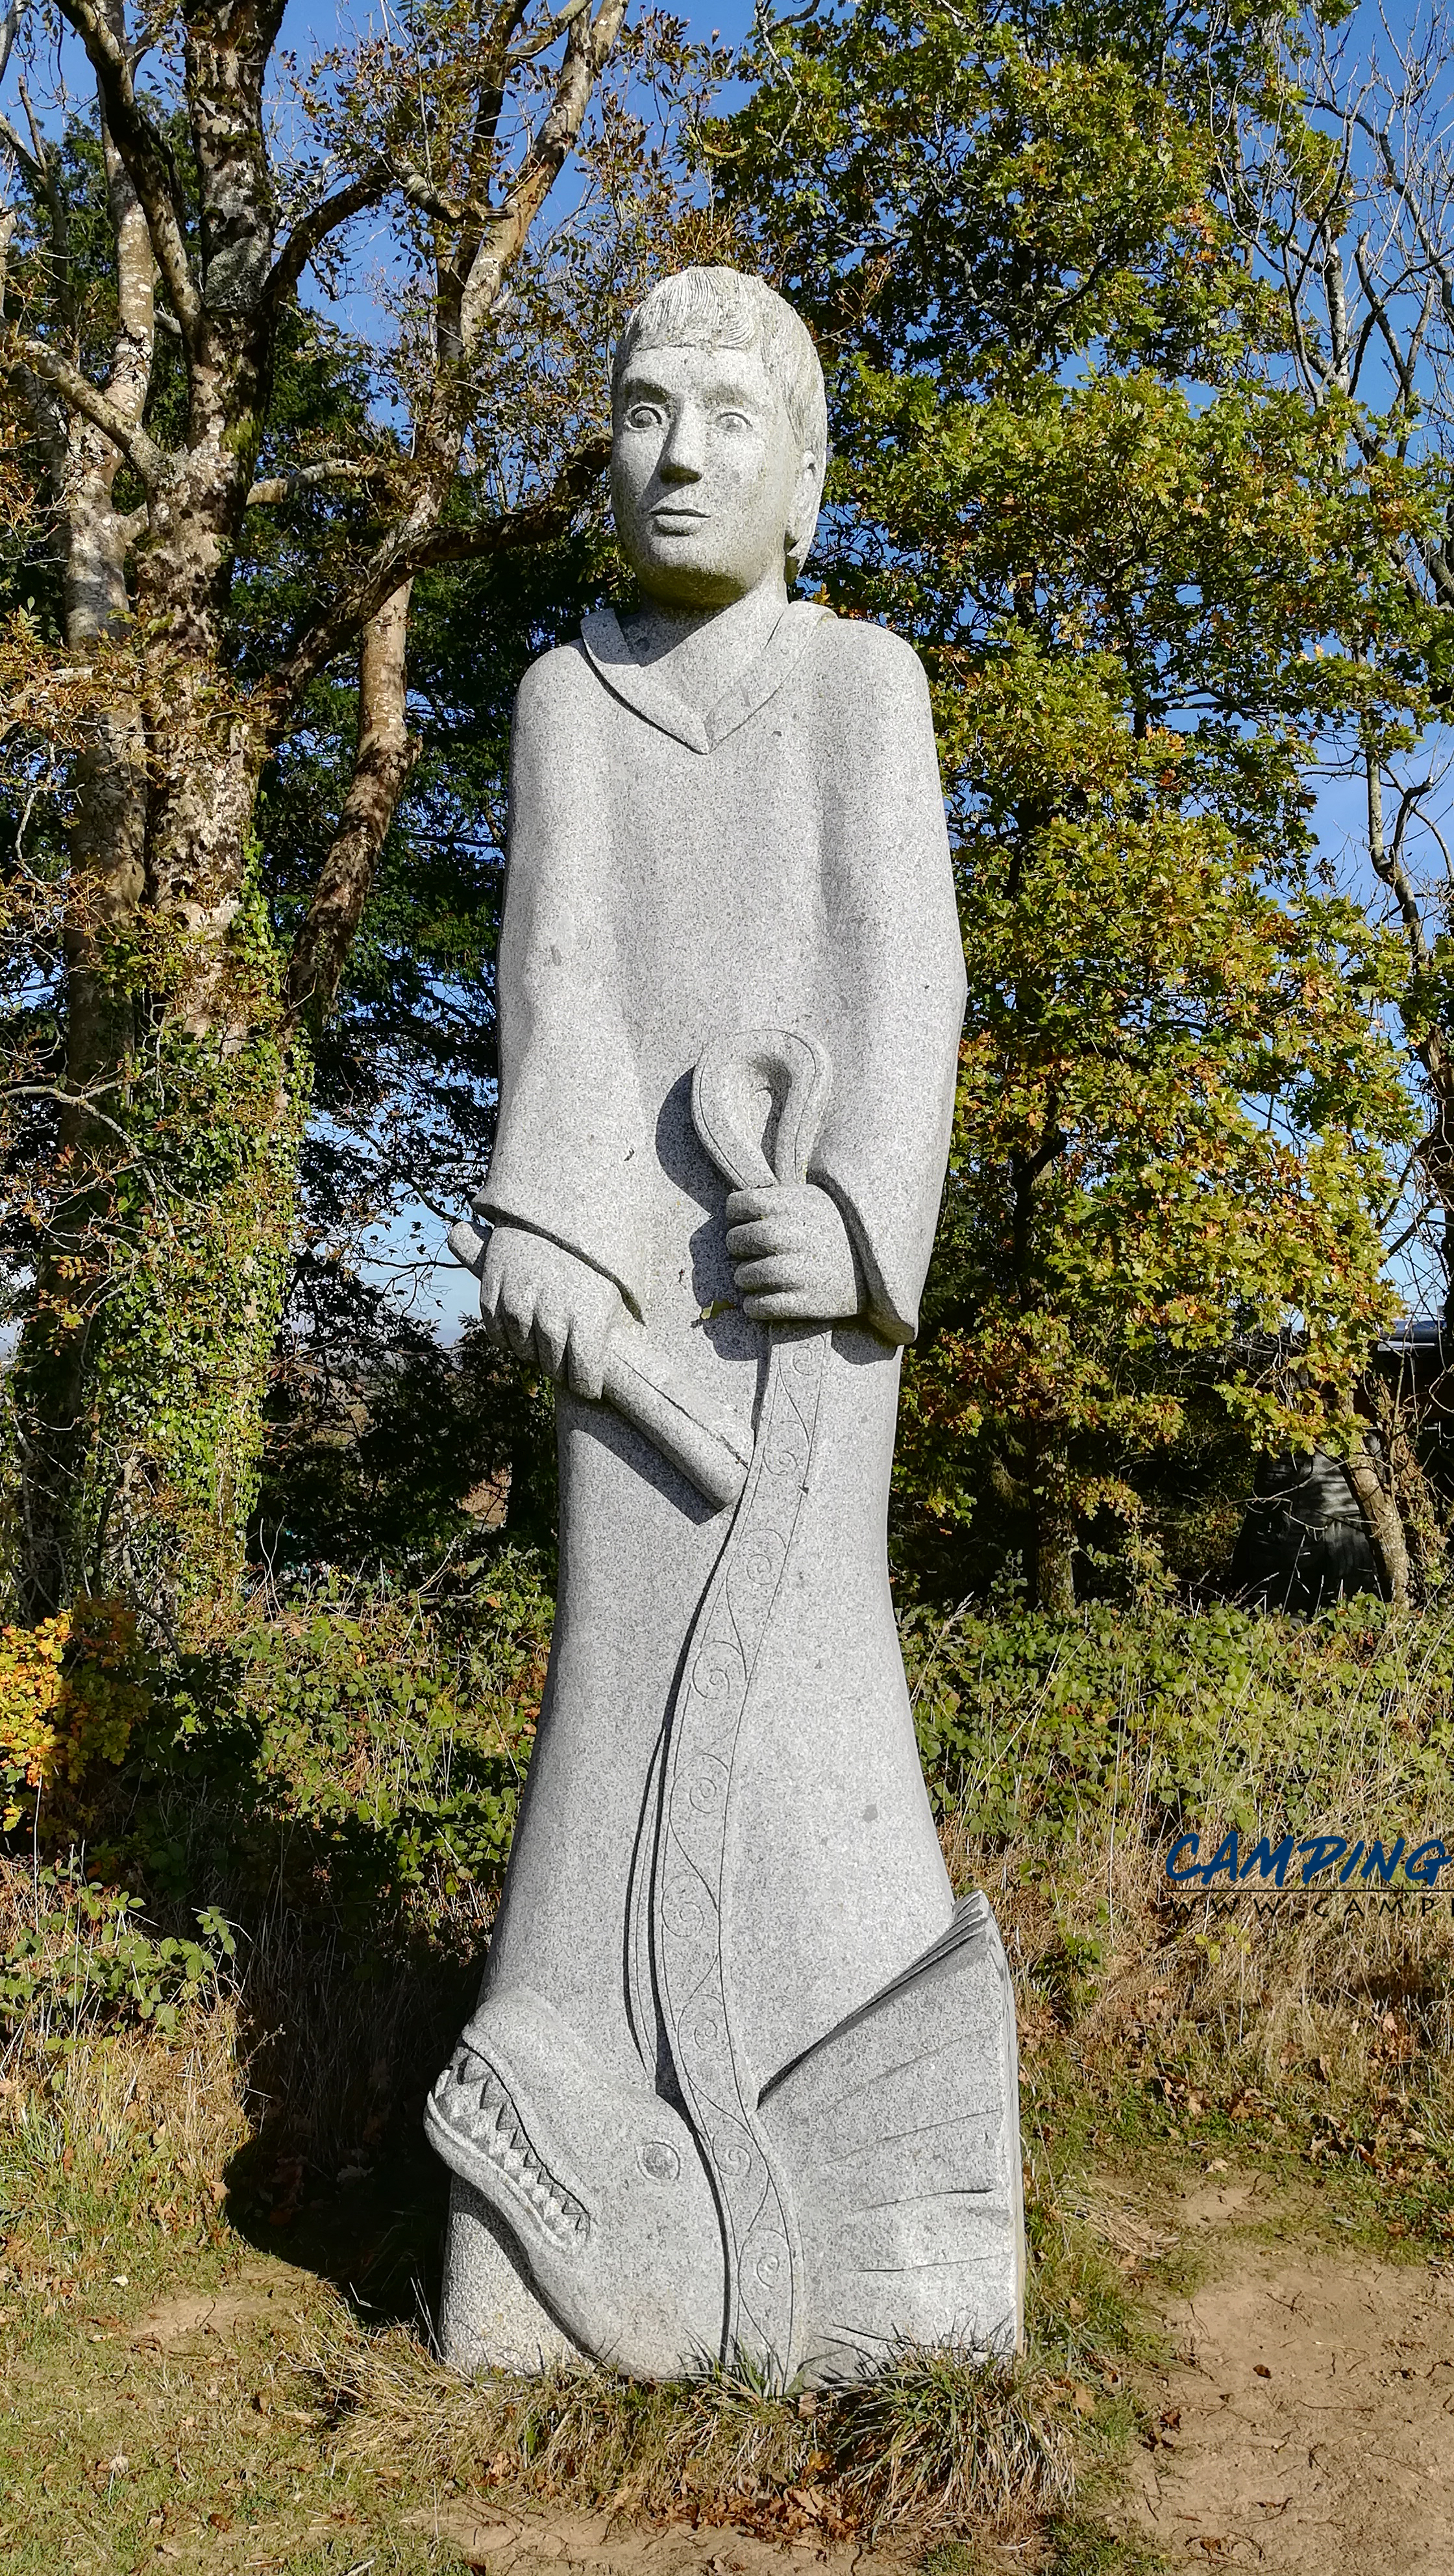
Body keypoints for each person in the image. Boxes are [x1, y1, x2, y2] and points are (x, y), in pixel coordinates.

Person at [428, 268, 972, 2379]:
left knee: (816, 1688)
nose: (675, 455)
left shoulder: (865, 690)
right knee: (617, 1699)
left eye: (729, 419)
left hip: (807, 1322)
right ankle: (551, 2230)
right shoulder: (570, 700)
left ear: (809, 476)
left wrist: (852, 1222)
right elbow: (560, 978)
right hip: (630, 1332)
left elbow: (902, 975)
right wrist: (550, 1228)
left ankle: (884, 2280)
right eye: (642, 412)